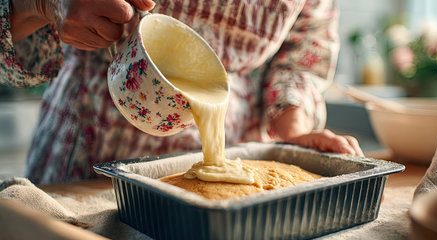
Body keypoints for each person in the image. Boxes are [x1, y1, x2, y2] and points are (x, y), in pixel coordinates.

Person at [1, 0, 363, 184]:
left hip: (237, 150)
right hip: (90, 140)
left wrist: (294, 130)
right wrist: (42, 4)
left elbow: (305, 44)